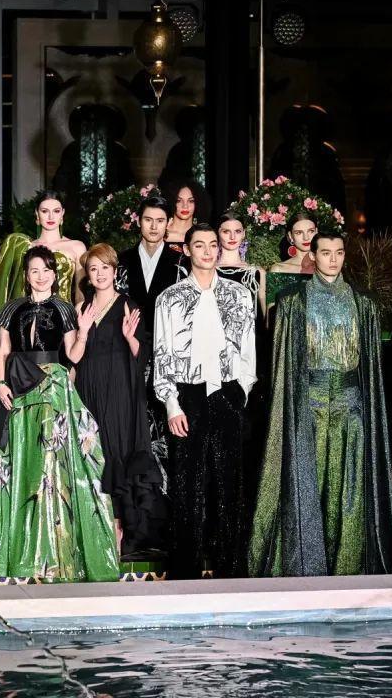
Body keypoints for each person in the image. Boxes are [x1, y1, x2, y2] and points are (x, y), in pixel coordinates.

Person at [249, 232, 392, 577]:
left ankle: (348, 570)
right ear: (313, 256)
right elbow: (282, 368)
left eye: (338, 252)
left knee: (350, 492)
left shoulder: (364, 303)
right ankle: (306, 568)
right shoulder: (293, 301)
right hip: (310, 406)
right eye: (325, 253)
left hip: (352, 408)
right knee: (309, 487)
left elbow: (372, 368)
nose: (332, 260)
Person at [0, 245, 119, 581]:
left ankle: (54, 549)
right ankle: (17, 547)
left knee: (51, 466)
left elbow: (73, 357)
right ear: (26, 275)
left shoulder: (64, 308)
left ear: (55, 275)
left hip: (52, 389)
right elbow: (3, 351)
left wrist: (83, 331)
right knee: (18, 461)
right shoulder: (12, 308)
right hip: (18, 390)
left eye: (46, 270)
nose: (41, 276)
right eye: (34, 270)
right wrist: (0, 385)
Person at [153, 224, 256, 579]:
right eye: (200, 245)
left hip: (227, 392)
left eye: (213, 244)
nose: (209, 251)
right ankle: (185, 575)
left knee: (230, 488)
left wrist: (242, 390)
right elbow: (162, 353)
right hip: (188, 395)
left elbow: (249, 348)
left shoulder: (239, 294)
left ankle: (232, 573)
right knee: (188, 488)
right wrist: (172, 403)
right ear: (187, 250)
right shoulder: (169, 298)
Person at [73, 244, 167, 559]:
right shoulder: (81, 308)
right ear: (87, 275)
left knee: (117, 453)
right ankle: (94, 531)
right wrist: (82, 331)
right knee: (92, 453)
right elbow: (73, 357)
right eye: (93, 269)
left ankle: (120, 528)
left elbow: (144, 355)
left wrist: (130, 338)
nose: (99, 274)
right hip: (88, 389)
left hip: (120, 392)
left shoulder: (128, 305)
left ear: (115, 271)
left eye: (105, 267)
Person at [0, 190, 85, 310]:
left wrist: (78, 315)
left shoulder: (76, 247)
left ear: (62, 213)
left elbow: (81, 293)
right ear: (37, 213)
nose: (51, 216)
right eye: (44, 211)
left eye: (56, 211)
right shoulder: (24, 247)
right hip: (28, 315)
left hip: (64, 316)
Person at [113, 194, 186, 330]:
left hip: (169, 336)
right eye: (148, 220)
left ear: (169, 222)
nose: (154, 226)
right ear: (138, 221)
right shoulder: (121, 260)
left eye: (160, 221)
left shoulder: (181, 262)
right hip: (126, 335)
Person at [216, 213, 267, 318]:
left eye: (238, 231)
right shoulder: (208, 270)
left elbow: (265, 316)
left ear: (244, 233)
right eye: (226, 232)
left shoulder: (257, 272)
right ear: (218, 233)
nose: (232, 237)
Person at [266, 213, 318, 309]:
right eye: (299, 232)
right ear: (290, 236)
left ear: (316, 232)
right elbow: (271, 311)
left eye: (311, 231)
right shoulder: (278, 270)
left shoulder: (327, 268)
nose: (306, 237)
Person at [160, 179, 210, 248]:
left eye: (191, 201)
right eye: (178, 201)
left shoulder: (203, 235)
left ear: (198, 203)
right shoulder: (159, 233)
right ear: (171, 202)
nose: (185, 206)